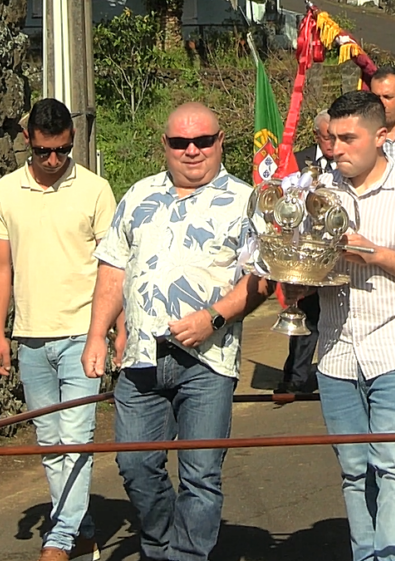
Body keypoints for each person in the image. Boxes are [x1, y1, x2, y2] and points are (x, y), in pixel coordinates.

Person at [82, 102, 273, 561]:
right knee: (134, 465)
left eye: (203, 141)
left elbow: (263, 278)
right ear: (165, 146)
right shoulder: (138, 195)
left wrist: (214, 318)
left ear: (220, 141)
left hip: (207, 362)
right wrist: (96, 334)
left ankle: (185, 555)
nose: (192, 151)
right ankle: (161, 543)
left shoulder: (247, 201)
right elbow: (113, 269)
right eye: (181, 142)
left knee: (201, 475)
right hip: (140, 360)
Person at [283, 90, 395, 561]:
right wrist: (297, 284)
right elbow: (303, 266)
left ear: (383, 137)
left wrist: (375, 254)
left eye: (348, 138)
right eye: (331, 139)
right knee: (354, 469)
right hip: (336, 353)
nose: (335, 149)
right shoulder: (316, 195)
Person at [0, 98, 118, 561]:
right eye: (44, 151)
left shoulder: (96, 190)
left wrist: (114, 330)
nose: (53, 161)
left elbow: (114, 267)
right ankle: (81, 528)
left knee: (76, 440)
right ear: (29, 141)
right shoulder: (5, 191)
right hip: (30, 336)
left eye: (62, 150)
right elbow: (0, 265)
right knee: (49, 444)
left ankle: (59, 539)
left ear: (71, 142)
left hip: (84, 335)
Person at [280, 110, 336, 394]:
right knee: (304, 315)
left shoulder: (345, 161)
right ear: (316, 136)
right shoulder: (299, 161)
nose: (332, 143)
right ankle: (295, 377)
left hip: (334, 250)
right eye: (327, 137)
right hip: (302, 249)